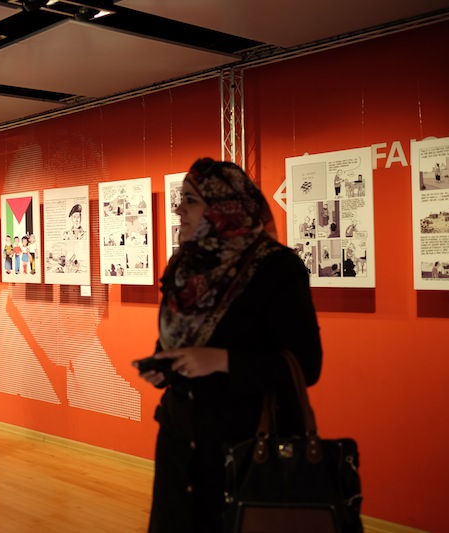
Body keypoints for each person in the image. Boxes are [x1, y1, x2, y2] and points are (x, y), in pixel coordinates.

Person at [135, 158, 322, 532]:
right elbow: (174, 341)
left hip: (246, 446)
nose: (179, 210)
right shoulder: (185, 266)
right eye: (181, 200)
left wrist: (222, 360)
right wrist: (164, 364)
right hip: (180, 442)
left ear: (225, 206)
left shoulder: (276, 268)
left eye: (190, 200)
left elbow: (306, 365)